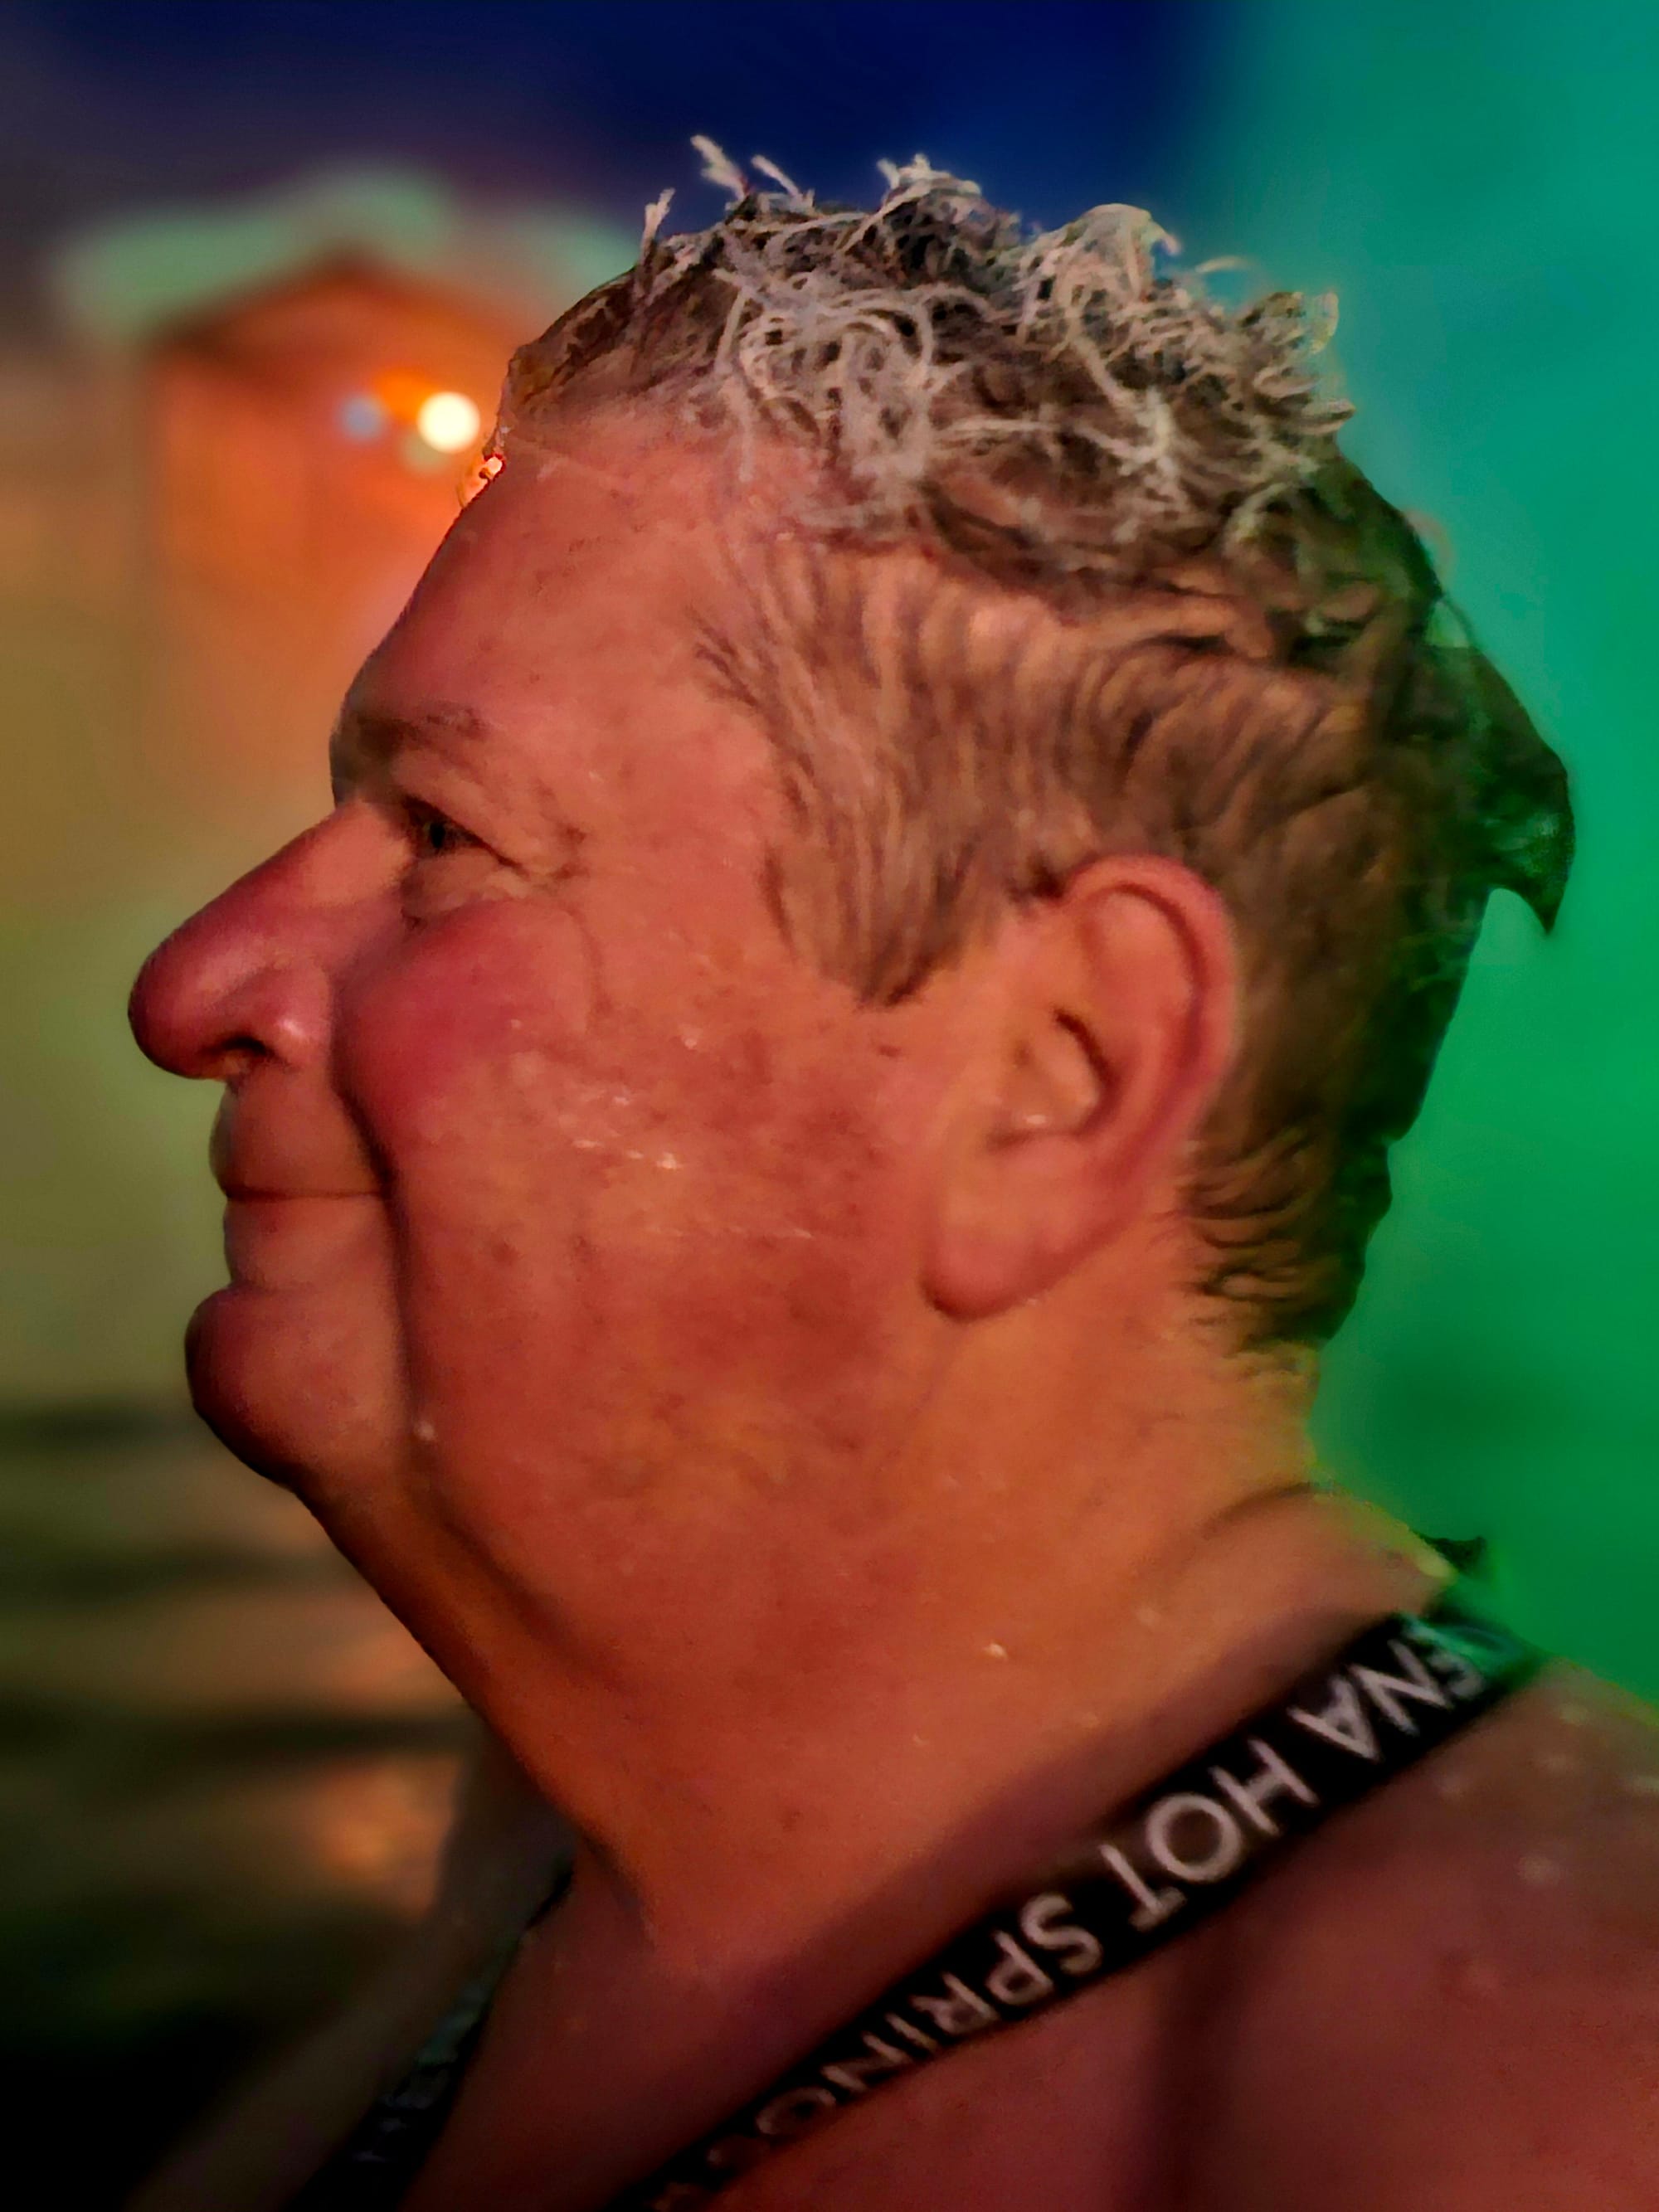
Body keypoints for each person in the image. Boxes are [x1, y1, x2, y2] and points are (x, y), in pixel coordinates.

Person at [127, 153, 1657, 2211]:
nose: (201, 982)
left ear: (1056, 1075)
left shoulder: (1548, 2092)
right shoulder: (588, 1866)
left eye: (442, 837)